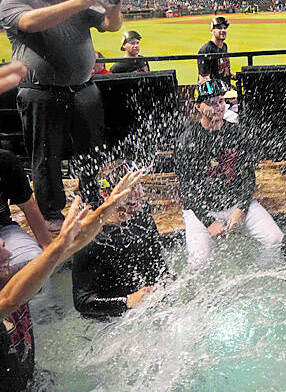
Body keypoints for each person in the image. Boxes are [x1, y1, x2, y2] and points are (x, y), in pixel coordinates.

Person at [0, 0, 123, 230]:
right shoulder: (15, 0)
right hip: (41, 92)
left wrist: (114, 7)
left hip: (83, 89)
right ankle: (52, 215)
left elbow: (111, 26)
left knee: (93, 151)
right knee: (46, 156)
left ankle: (92, 200)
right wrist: (78, 2)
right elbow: (30, 23)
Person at [1, 169, 143, 391]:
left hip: (33, 379)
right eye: (0, 251)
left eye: (4, 247)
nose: (9, 254)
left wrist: (110, 206)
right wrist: (58, 246)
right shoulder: (10, 293)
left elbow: (74, 244)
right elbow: (10, 299)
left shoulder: (9, 277)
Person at [174, 79, 284, 268]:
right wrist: (209, 222)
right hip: (201, 210)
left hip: (236, 203)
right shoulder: (187, 140)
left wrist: (241, 208)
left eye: (221, 101)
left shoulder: (238, 133)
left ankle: (255, 274)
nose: (218, 107)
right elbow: (187, 188)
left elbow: (248, 175)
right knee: (198, 264)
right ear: (198, 106)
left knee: (276, 240)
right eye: (211, 103)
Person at [71, 160, 169, 318]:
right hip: (107, 321)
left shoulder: (145, 221)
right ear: (105, 194)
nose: (137, 193)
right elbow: (82, 302)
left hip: (144, 310)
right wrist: (127, 301)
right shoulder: (92, 237)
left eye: (138, 185)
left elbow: (159, 266)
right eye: (128, 189)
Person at [0, 150, 52, 277]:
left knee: (35, 263)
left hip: (4, 228)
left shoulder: (6, 161)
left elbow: (28, 206)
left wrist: (50, 250)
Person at [197, 16, 233, 84]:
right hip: (215, 92)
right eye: (219, 28)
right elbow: (203, 79)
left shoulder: (224, 46)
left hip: (226, 88)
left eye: (224, 28)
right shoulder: (206, 50)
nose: (223, 30)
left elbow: (225, 72)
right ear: (212, 31)